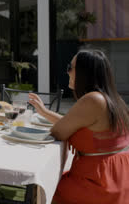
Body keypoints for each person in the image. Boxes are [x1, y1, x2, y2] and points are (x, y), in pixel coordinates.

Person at [28, 49, 129, 204]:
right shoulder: (113, 100)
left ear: (84, 72)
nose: (67, 71)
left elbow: (58, 132)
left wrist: (70, 135)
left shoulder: (92, 100)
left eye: (70, 67)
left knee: (47, 185)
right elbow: (73, 124)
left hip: (98, 182)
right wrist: (44, 112)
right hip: (117, 176)